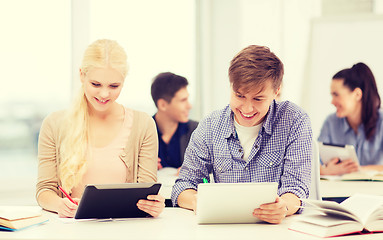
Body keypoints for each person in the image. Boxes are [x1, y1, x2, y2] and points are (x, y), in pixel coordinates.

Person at [171, 45, 312, 224]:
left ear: (276, 92)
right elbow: (184, 185)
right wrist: (197, 201)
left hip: (276, 230)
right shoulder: (211, 125)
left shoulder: (294, 120)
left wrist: (283, 206)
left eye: (258, 99)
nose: (247, 109)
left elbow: (296, 188)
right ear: (230, 86)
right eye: (239, 96)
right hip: (225, 229)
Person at [36, 39, 165, 218]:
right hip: (71, 230)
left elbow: (146, 192)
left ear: (124, 81)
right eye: (95, 84)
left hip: (127, 230)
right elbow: (44, 191)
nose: (104, 94)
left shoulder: (143, 125)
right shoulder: (54, 124)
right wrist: (60, 205)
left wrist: (153, 205)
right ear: (82, 75)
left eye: (114, 86)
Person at [318, 62, 383, 175]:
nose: (332, 102)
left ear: (357, 94)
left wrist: (359, 170)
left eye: (336, 95)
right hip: (339, 191)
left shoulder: (381, 123)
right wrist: (325, 170)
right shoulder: (331, 123)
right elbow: (311, 162)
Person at [151, 72, 198, 172]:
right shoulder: (142, 133)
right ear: (163, 105)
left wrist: (196, 171)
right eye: (183, 100)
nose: (189, 106)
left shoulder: (198, 131)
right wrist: (145, 168)